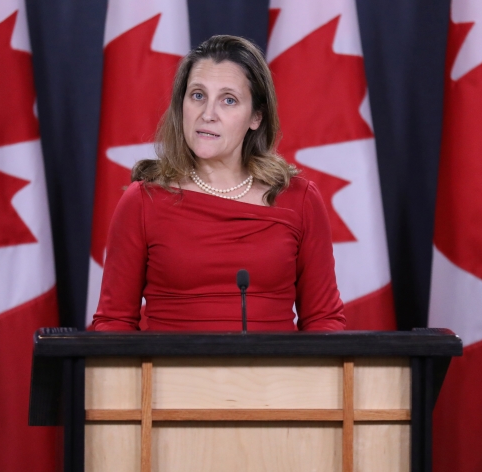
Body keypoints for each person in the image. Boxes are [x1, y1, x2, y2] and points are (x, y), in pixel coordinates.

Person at [89, 35, 345, 332]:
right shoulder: (143, 201)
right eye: (198, 95)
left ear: (256, 117)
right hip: (168, 378)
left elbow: (323, 322)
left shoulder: (298, 199)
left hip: (274, 378)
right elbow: (114, 323)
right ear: (181, 104)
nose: (208, 115)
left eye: (228, 100)